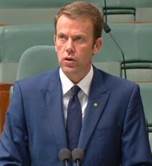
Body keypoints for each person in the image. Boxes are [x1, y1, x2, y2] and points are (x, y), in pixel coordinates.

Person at [0, 1, 152, 166]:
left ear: (97, 45)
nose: (69, 48)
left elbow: (138, 162)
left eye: (79, 39)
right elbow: (9, 161)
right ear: (55, 41)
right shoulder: (26, 94)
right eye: (63, 38)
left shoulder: (124, 96)